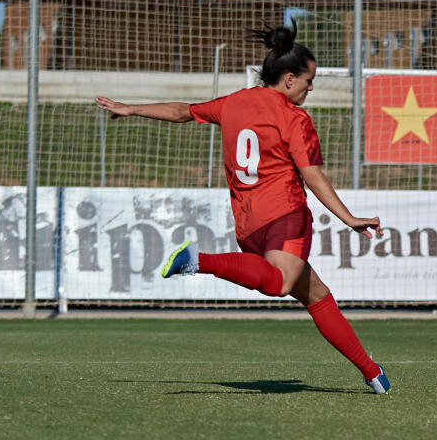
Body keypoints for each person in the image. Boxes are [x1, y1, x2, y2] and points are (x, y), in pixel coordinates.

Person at [94, 22, 390, 394]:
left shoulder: (233, 102)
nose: (310, 87)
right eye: (308, 80)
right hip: (285, 216)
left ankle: (371, 371)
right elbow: (311, 175)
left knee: (314, 293)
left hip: (248, 224)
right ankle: (200, 262)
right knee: (281, 283)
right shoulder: (294, 118)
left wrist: (132, 109)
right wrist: (349, 219)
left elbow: (182, 111)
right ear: (287, 79)